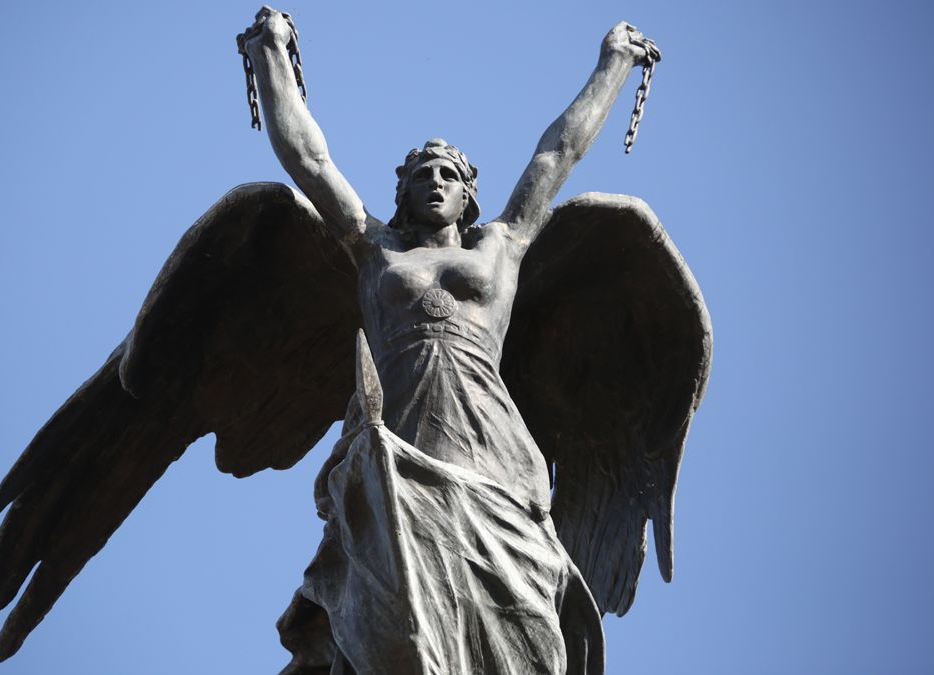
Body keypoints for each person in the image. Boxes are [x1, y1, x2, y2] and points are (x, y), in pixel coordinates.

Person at [238, 7, 662, 674]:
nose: (434, 182)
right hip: (401, 434)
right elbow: (310, 160)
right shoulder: (375, 250)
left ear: (469, 197)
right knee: (386, 605)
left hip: (489, 445)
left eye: (449, 175)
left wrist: (613, 62)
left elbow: (558, 153)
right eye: (420, 175)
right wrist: (270, 51)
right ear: (402, 195)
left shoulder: (503, 244)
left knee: (522, 611)